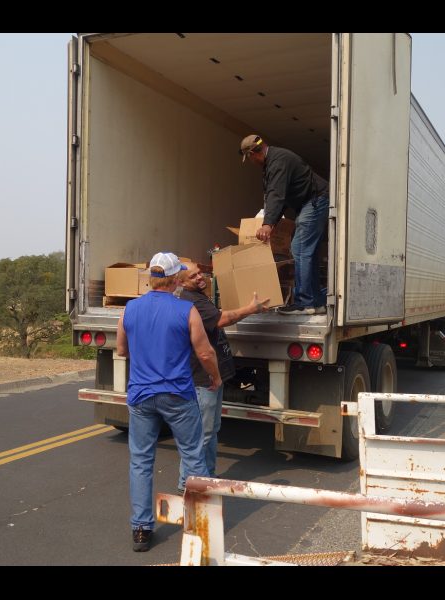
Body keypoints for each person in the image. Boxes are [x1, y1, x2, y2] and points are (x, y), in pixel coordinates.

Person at [116, 252, 222, 553]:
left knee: (141, 461)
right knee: (192, 455)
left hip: (141, 396)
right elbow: (204, 353)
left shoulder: (130, 309)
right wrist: (215, 378)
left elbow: (122, 349)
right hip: (177, 395)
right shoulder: (187, 310)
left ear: (151, 277)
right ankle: (198, 525)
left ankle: (141, 529)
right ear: (176, 279)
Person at [176, 263, 271, 492]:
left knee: (212, 430)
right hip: (203, 378)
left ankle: (208, 477)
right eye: (193, 275)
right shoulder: (192, 301)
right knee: (201, 434)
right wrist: (251, 309)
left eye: (200, 272)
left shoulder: (199, 296)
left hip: (210, 377)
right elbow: (222, 320)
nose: (200, 277)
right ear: (180, 282)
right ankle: (187, 483)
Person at [240, 134, 329, 315]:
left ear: (253, 154)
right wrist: (272, 222)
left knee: (300, 248)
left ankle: (305, 302)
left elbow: (276, 194)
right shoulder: (273, 161)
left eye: (249, 158)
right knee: (306, 251)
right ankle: (316, 302)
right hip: (312, 201)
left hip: (315, 200)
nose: (251, 161)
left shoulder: (277, 162)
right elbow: (282, 198)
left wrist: (267, 224)